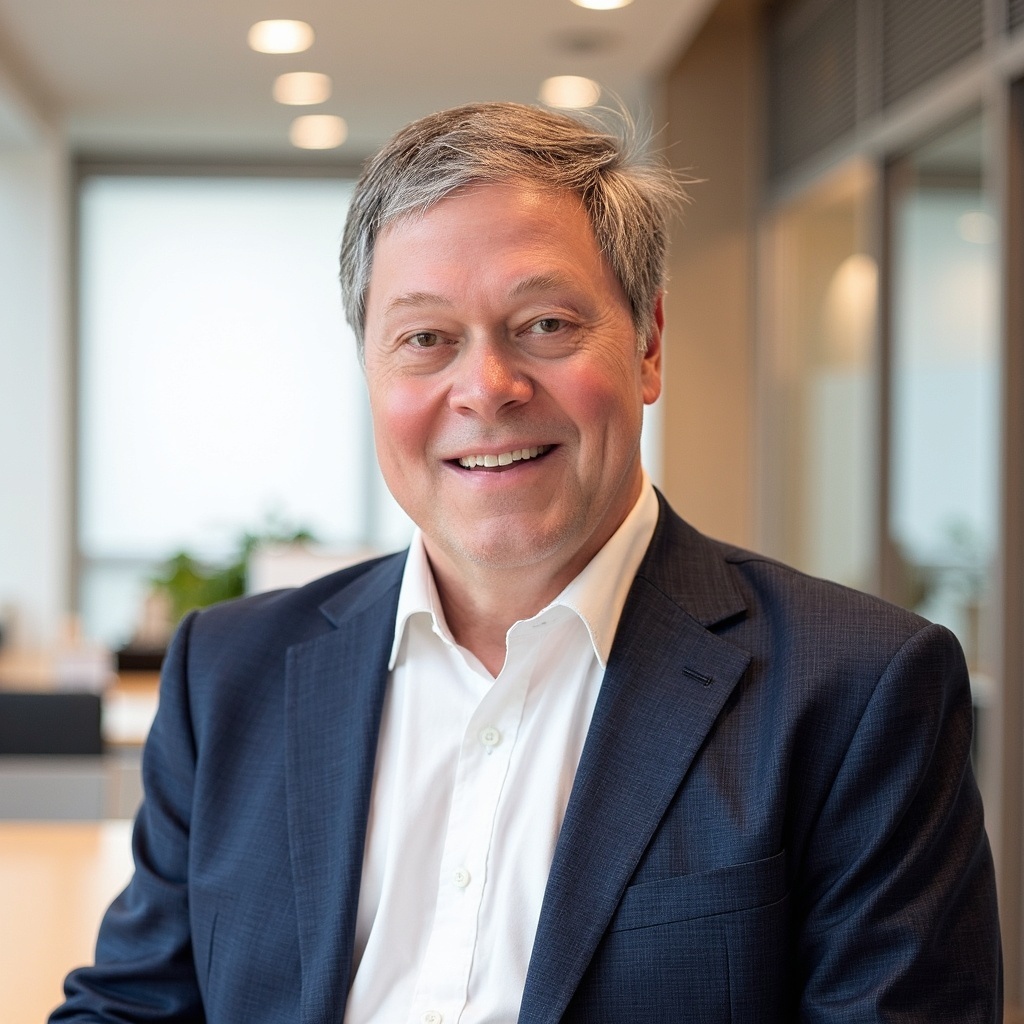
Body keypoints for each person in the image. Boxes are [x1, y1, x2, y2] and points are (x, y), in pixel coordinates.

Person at [53, 102, 1001, 1023]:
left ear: (650, 345)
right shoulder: (229, 673)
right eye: (425, 339)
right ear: (372, 374)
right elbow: (134, 1005)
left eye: (544, 325)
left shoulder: (858, 690)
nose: (486, 391)